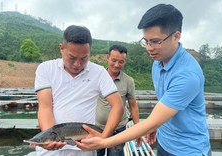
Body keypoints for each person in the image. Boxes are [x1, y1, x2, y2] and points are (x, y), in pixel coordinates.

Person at [77, 4, 212, 156]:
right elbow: (163, 107)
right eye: (145, 41)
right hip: (164, 142)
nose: (149, 48)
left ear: (176, 36)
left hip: (188, 150)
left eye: (155, 41)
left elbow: (150, 121)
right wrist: (155, 126)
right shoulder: (157, 63)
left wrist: (103, 142)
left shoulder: (187, 75)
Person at [34, 25, 124, 156]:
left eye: (84, 58)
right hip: (51, 151)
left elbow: (118, 106)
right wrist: (50, 138)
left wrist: (103, 138)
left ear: (89, 52)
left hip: (85, 149)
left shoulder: (98, 72)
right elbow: (45, 108)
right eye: (72, 57)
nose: (77, 64)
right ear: (61, 48)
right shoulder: (46, 69)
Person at [96, 45, 142, 156]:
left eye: (121, 62)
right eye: (114, 60)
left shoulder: (128, 81)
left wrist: (138, 131)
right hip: (96, 129)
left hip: (118, 130)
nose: (117, 65)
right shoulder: (96, 76)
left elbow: (133, 106)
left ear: (125, 62)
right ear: (107, 57)